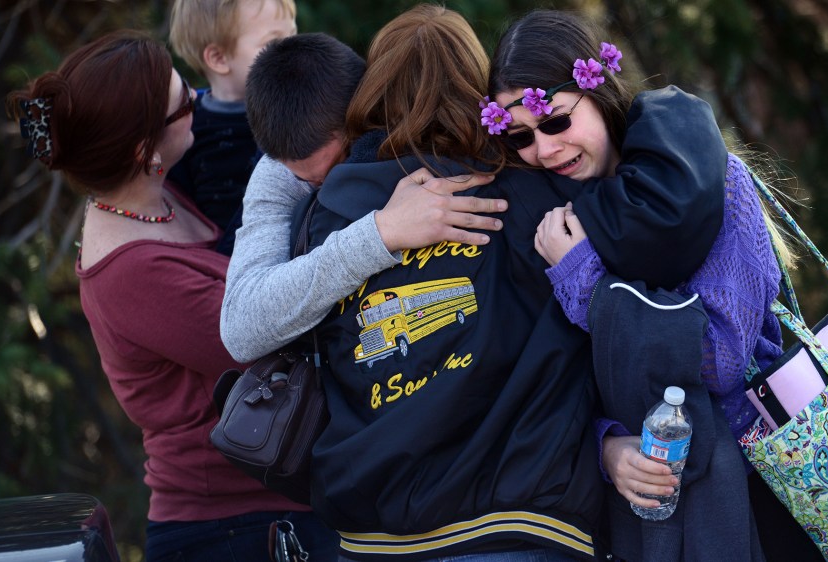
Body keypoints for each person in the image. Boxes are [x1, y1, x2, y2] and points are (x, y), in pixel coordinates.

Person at [294, 5, 729, 561]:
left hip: (367, 538)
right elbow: (662, 215)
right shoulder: (530, 199)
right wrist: (673, 107)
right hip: (518, 525)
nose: (543, 148)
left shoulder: (325, 215)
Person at [486, 10, 821, 562]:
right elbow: (561, 378)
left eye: (556, 122)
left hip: (751, 490)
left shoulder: (710, 182)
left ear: (598, 91)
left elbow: (717, 359)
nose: (544, 150)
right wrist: (608, 447)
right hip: (631, 518)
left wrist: (583, 277)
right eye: (520, 136)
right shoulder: (550, 217)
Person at [6, 30, 336, 561]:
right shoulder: (133, 276)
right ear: (144, 151)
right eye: (186, 103)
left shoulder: (158, 194)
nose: (199, 104)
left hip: (269, 505)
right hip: (232, 529)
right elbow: (269, 331)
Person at [220, 32, 505, 363]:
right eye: (307, 180)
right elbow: (241, 330)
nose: (328, 188)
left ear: (364, 111)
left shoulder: (412, 123)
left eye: (337, 166)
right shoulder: (277, 170)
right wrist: (381, 232)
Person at [167, 0, 297, 255]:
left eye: (293, 36)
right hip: (226, 265)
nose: (293, 52)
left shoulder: (303, 104)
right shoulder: (187, 125)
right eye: (273, 43)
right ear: (218, 58)